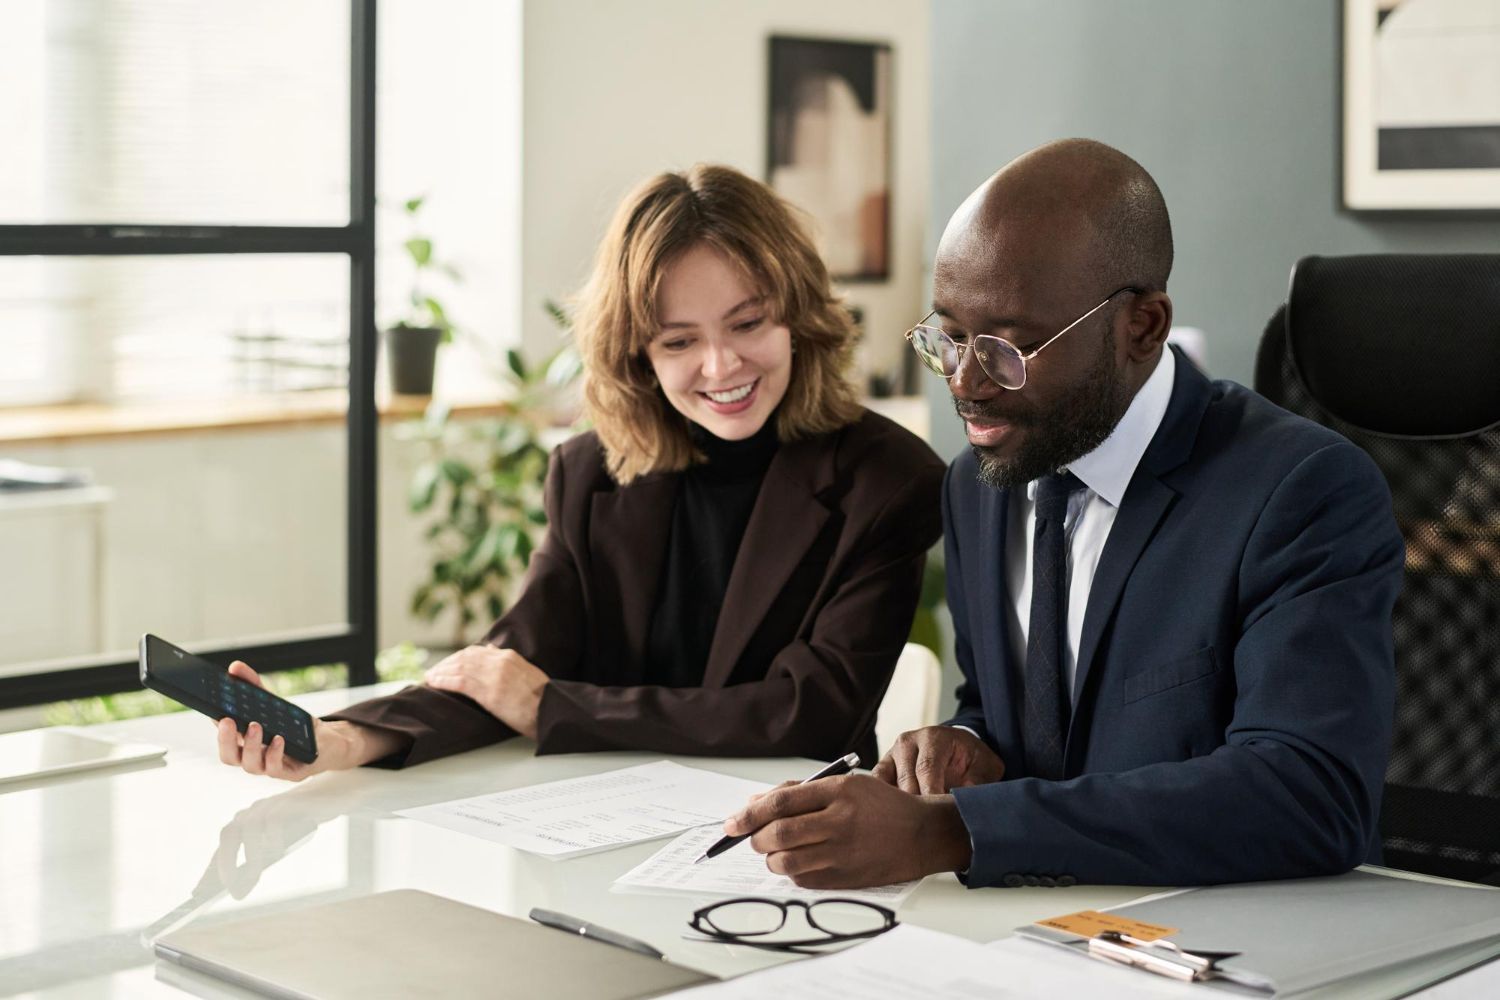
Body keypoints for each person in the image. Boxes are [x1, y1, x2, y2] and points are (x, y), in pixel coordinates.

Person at [724, 138, 1405, 889]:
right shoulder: (978, 484)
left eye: (1009, 349)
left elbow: (1310, 795)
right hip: (1037, 932)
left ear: (1142, 327)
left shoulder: (1300, 491)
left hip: (1232, 939)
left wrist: (958, 832)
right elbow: (1005, 706)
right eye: (949, 337)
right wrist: (964, 740)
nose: (968, 385)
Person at [214, 164, 944, 780]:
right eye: (679, 340)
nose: (721, 366)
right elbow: (509, 666)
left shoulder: (887, 480)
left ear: (797, 316)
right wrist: (339, 740)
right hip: (598, 823)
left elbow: (809, 714)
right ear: (638, 355)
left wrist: (554, 707)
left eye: (748, 324)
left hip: (787, 842)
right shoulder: (590, 473)